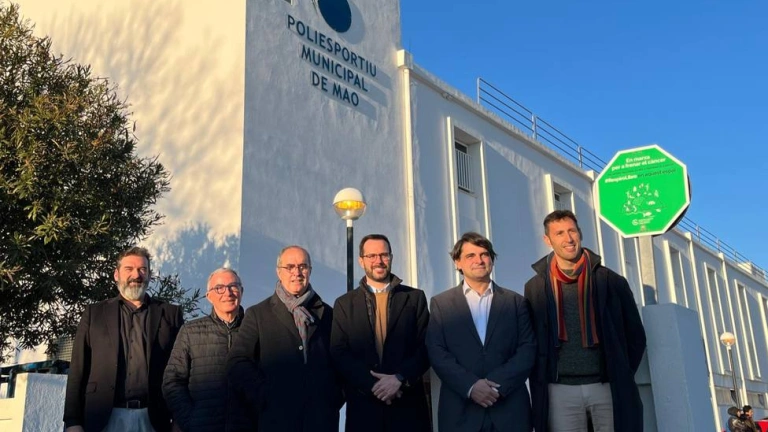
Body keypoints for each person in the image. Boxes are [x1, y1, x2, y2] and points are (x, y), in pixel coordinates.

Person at [524, 210, 647, 432]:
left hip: (606, 385)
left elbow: (635, 335)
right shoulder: (535, 287)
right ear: (547, 240)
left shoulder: (611, 281)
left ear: (580, 233)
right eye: (559, 233)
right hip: (560, 388)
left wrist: (621, 371)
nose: (568, 238)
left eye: (572, 231)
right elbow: (532, 338)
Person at [64, 246, 184, 432]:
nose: (136, 275)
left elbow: (181, 370)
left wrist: (179, 419)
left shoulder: (170, 314)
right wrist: (73, 421)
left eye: (142, 269)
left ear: (149, 275)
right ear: (116, 274)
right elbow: (78, 369)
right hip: (102, 418)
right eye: (129, 269)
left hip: (155, 419)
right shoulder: (94, 314)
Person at [426, 232, 536, 432]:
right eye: (470, 255)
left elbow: (527, 349)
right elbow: (437, 351)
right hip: (460, 412)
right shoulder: (441, 304)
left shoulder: (515, 302)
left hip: (509, 410)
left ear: (492, 260)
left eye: (484, 254)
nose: (479, 260)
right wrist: (471, 386)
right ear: (457, 262)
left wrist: (496, 386)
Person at [226, 246, 342, 432]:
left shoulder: (328, 315)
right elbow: (238, 362)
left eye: (303, 266)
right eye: (290, 267)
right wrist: (265, 396)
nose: (297, 272)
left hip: (320, 420)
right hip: (276, 419)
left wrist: (331, 398)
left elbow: (340, 360)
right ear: (278, 272)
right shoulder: (258, 314)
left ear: (310, 270)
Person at [331, 234, 431, 432]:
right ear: (361, 261)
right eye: (372, 256)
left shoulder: (415, 298)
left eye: (384, 255)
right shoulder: (344, 304)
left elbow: (426, 346)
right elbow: (339, 352)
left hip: (407, 407)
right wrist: (373, 386)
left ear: (391, 258)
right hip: (364, 408)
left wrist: (399, 378)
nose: (379, 261)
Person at [162, 268, 252, 432]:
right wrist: (190, 421)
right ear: (209, 296)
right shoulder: (190, 331)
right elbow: (173, 381)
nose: (228, 293)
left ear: (242, 291)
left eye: (233, 286)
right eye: (219, 288)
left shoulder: (255, 330)